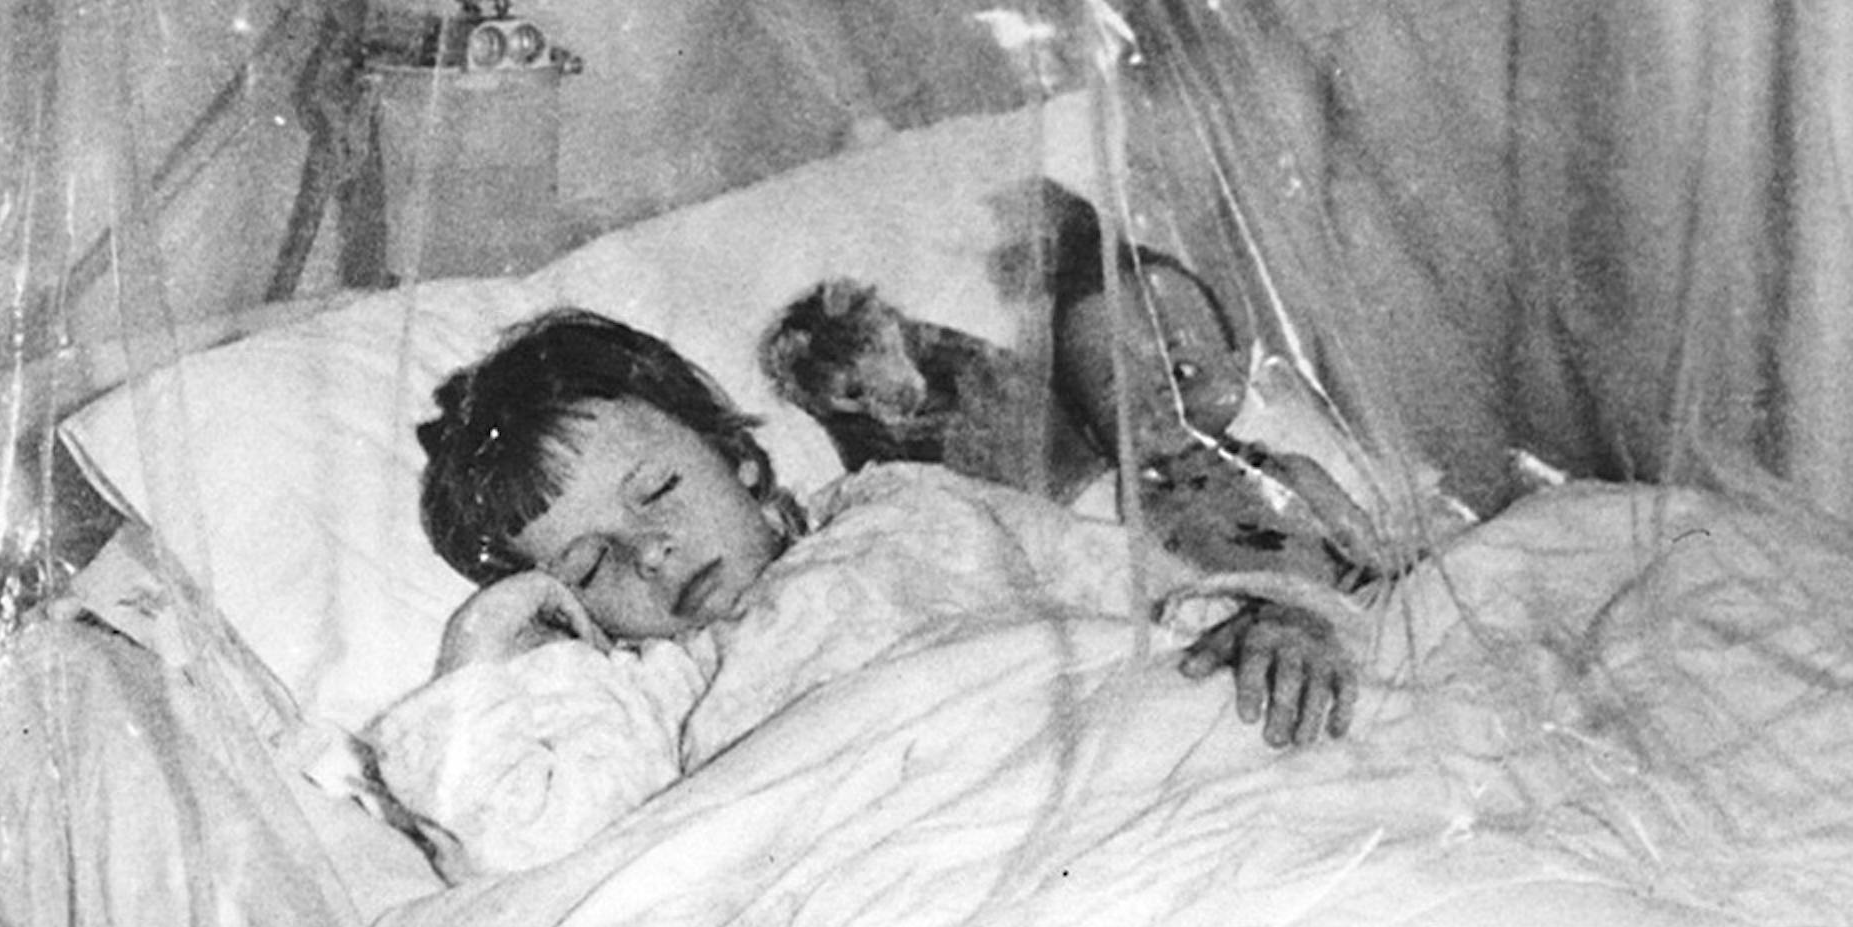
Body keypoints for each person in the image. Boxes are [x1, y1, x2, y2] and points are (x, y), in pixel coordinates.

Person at [375, 309, 1355, 879]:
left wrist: (1279, 615)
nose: (653, 553)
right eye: (591, 565)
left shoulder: (903, 503)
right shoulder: (663, 685)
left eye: (660, 492)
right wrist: (487, 632)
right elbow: (507, 839)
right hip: (948, 852)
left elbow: (1133, 581)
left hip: (1122, 758)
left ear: (736, 457)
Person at [1042, 199, 1400, 592]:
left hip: (1347, 595)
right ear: (1093, 433)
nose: (1163, 400)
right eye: (1123, 394)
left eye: (1184, 371)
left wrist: (1380, 562)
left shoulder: (1291, 470)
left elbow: (1365, 542)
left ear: (1236, 366)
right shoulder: (1148, 506)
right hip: (1262, 610)